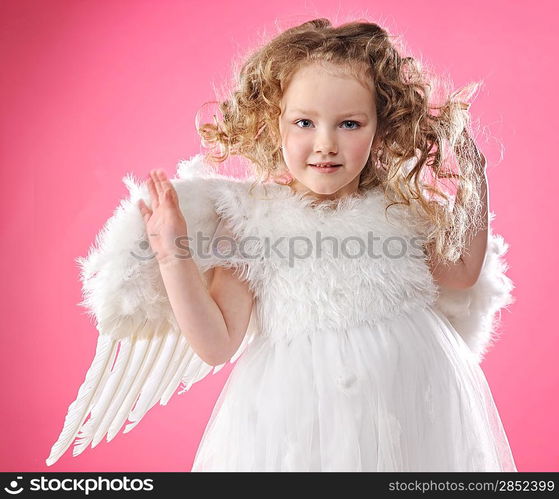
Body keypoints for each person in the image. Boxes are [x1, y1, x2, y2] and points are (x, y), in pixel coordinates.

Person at [46, 18, 517, 471]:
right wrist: (173, 253)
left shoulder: (399, 210)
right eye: (304, 123)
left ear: (381, 128)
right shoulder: (255, 224)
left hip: (410, 398)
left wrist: (475, 179)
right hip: (301, 418)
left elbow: (461, 271)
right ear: (275, 124)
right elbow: (215, 342)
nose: (326, 143)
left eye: (350, 124)